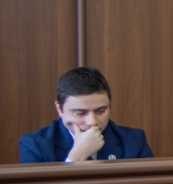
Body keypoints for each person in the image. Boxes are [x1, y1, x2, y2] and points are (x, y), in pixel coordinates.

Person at [20, 67, 153, 163]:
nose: (92, 122)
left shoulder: (134, 141)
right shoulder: (35, 145)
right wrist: (77, 156)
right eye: (80, 113)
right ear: (60, 109)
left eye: (101, 111)